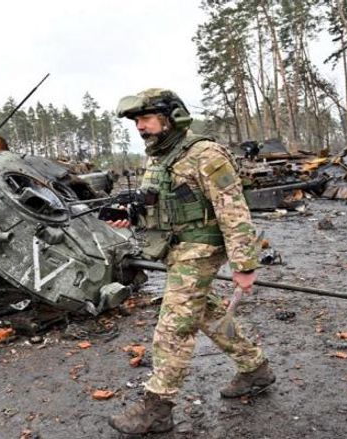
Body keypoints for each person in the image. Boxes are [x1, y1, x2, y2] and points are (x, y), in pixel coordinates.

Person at [105, 89, 276, 435]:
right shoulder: (157, 157)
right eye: (137, 121)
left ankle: (158, 406)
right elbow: (160, 207)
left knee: (174, 324)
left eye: (147, 119)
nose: (140, 127)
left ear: (172, 118)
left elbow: (234, 210)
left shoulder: (205, 154)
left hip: (200, 248)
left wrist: (244, 264)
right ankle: (255, 367)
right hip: (176, 248)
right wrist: (132, 215)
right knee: (206, 312)